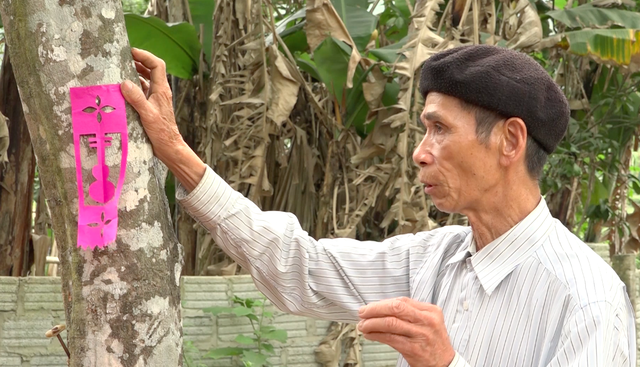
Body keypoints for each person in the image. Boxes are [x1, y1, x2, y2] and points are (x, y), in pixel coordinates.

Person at [120, 45, 636, 367]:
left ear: (509, 141)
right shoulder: (433, 258)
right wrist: (178, 154)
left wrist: (445, 365)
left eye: (439, 129)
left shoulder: (586, 298)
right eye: (422, 128)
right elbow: (302, 267)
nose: (419, 151)